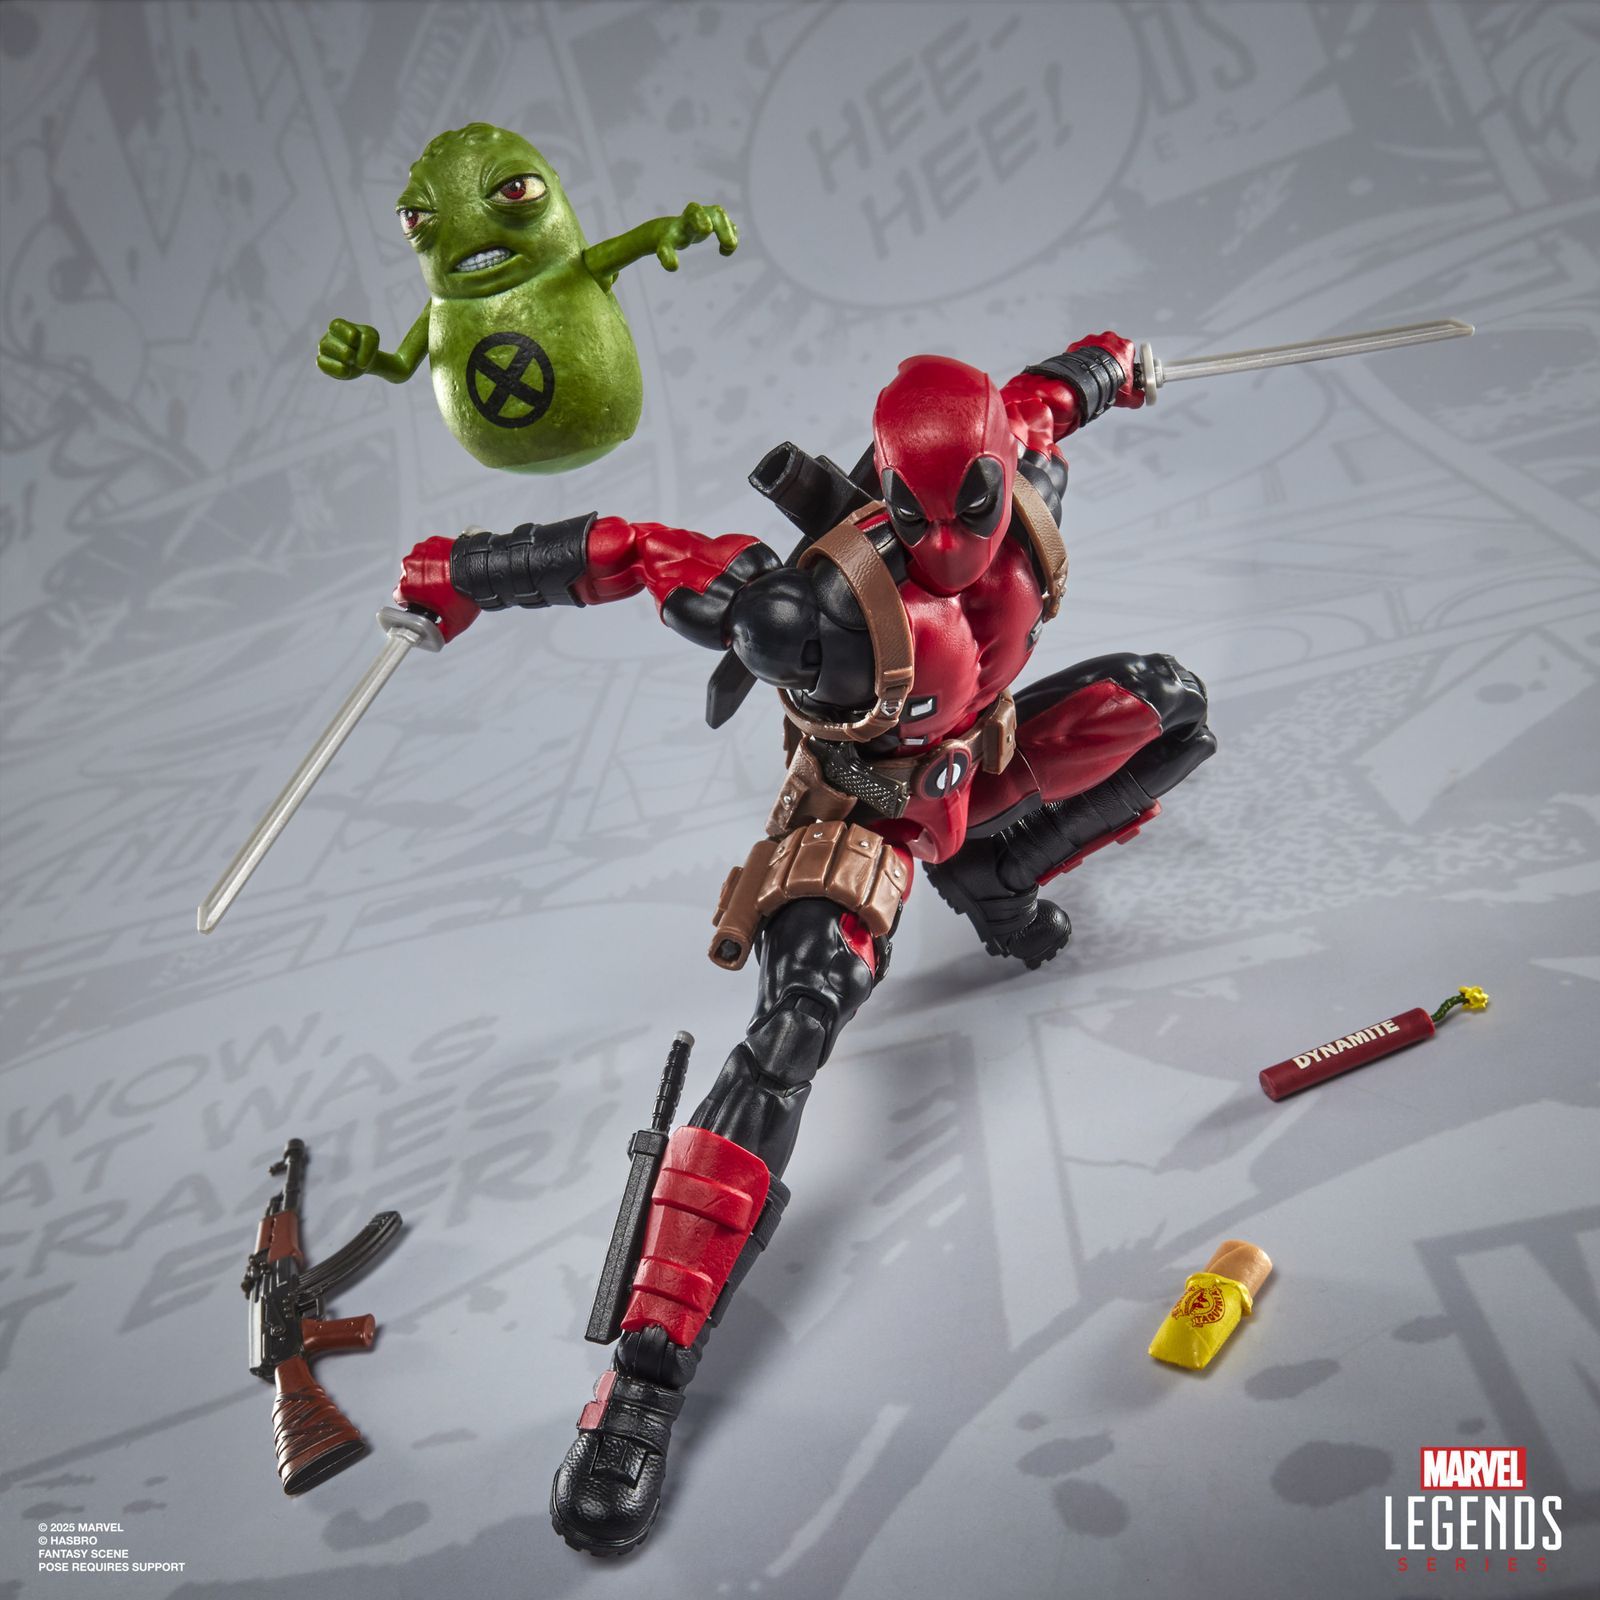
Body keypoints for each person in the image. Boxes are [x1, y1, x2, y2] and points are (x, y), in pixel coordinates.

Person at [395, 331, 1216, 1554]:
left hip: (984, 764)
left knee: (1165, 704)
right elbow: (633, 551)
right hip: (859, 821)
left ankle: (996, 873)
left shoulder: (1024, 461)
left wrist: (1118, 362)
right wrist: (463, 571)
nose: (946, 537)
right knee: (788, 1035)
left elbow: (1056, 393)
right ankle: (644, 1380)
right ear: (882, 483)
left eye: (972, 501)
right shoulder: (812, 610)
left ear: (998, 468)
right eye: (915, 509)